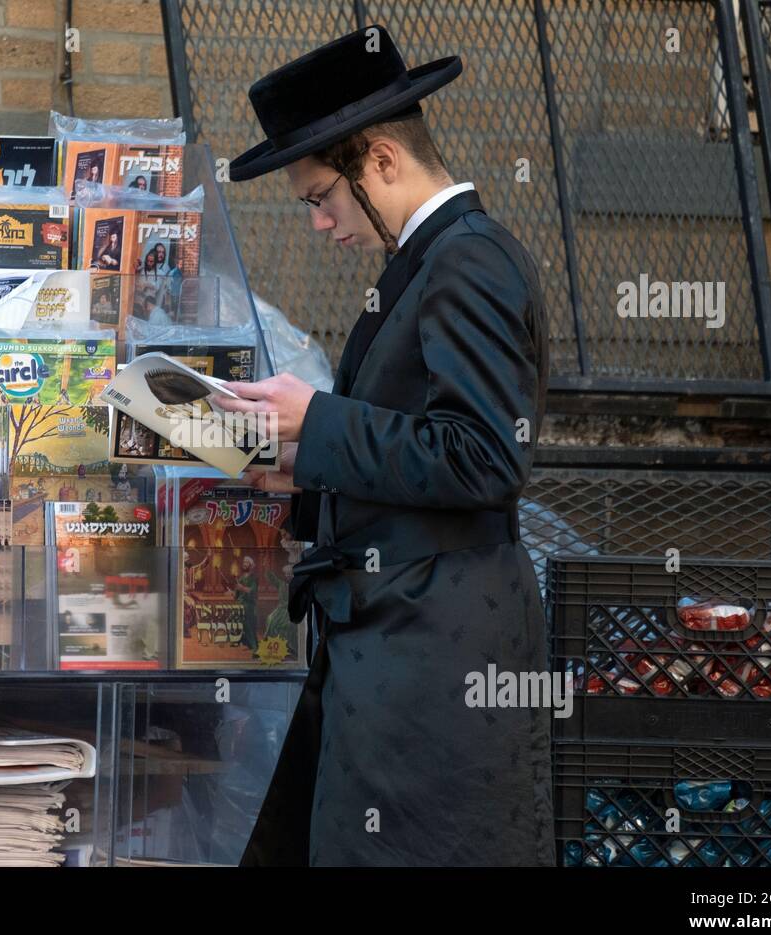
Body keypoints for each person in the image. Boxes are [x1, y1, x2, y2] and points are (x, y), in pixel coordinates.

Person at [219, 25, 553, 866]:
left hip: (434, 661)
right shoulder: (434, 260)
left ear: (380, 161)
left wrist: (319, 421)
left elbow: (484, 455)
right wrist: (298, 480)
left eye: (319, 196)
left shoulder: (467, 261)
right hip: (401, 646)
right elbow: (419, 454)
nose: (321, 223)